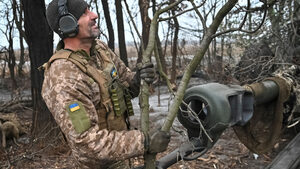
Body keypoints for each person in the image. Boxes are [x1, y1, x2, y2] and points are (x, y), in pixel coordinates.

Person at [42, 0, 170, 168]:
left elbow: (125, 86)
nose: (94, 15)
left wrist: (138, 80)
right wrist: (143, 141)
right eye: (84, 13)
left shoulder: (100, 50)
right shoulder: (64, 75)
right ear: (68, 24)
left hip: (121, 159)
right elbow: (86, 143)